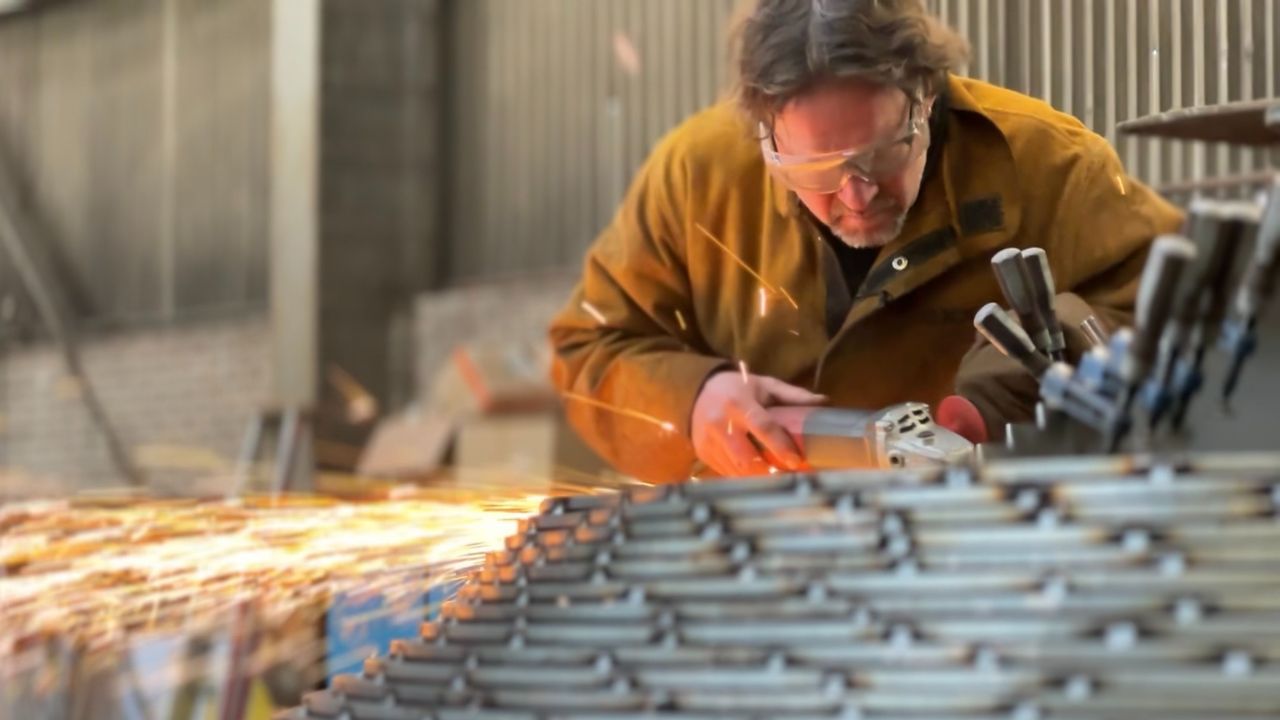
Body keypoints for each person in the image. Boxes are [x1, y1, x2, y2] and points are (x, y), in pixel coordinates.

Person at [549, 0, 1182, 483]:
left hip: (988, 546)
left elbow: (1176, 319)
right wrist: (693, 398)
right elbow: (589, 346)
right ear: (765, 137)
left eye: (882, 156)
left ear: (924, 96)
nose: (856, 196)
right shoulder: (695, 175)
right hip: (765, 554)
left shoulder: (1051, 165)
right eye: (816, 174)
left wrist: (1003, 390)